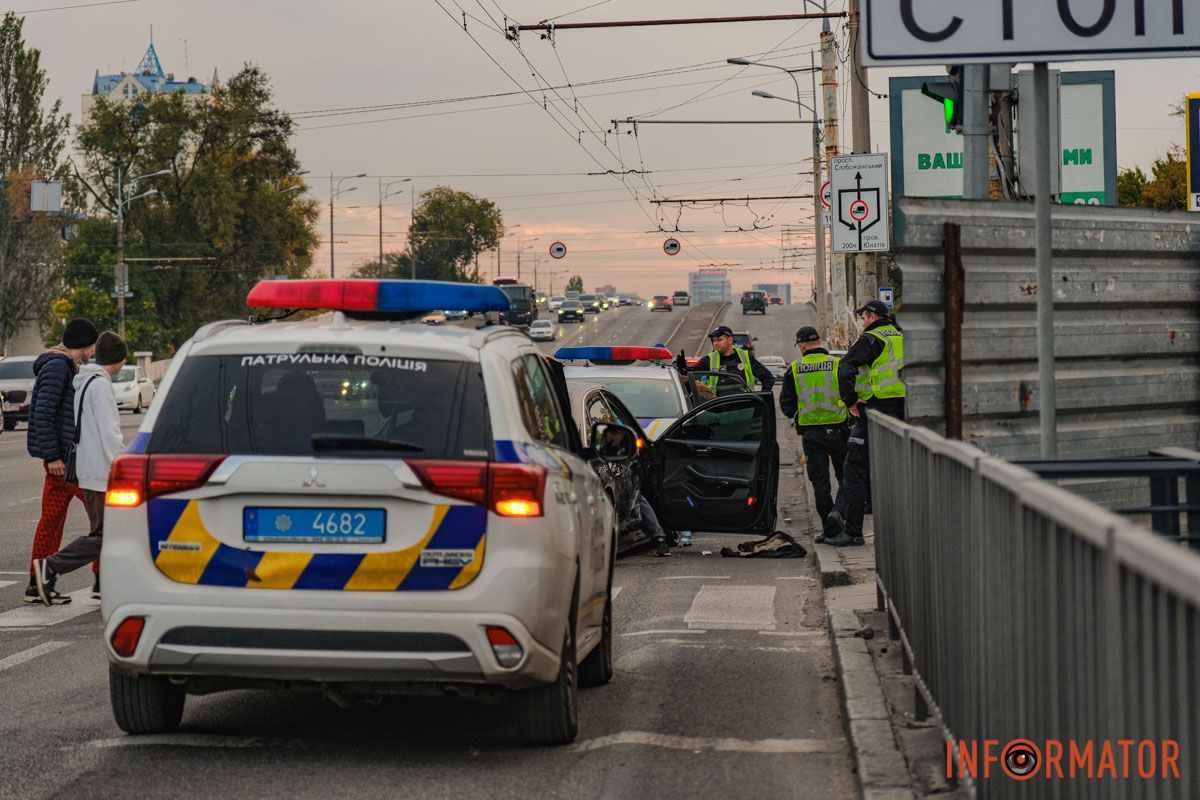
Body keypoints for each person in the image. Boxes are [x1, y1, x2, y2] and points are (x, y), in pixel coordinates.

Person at [33, 331, 126, 605]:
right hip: (101, 473)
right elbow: (110, 433)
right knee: (107, 534)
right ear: (118, 360)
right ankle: (51, 566)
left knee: (103, 533)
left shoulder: (85, 380)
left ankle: (102, 581)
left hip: (87, 469)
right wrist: (124, 465)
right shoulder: (100, 385)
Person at [23, 318, 99, 603]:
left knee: (52, 519)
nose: (93, 351)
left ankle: (37, 582)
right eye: (92, 345)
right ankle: (102, 580)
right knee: (104, 516)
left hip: (62, 459)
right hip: (64, 461)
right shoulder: (58, 366)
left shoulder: (62, 365)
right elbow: (42, 412)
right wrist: (52, 455)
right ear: (85, 344)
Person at [826, 301, 906, 548]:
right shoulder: (902, 336)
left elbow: (845, 366)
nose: (862, 322)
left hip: (878, 408)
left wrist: (849, 399)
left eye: (863, 317)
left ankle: (852, 531)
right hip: (906, 408)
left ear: (871, 316)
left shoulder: (871, 338)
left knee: (854, 469)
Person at [779, 326, 849, 544]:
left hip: (811, 433)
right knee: (846, 476)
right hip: (839, 429)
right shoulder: (838, 364)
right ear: (819, 342)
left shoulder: (795, 368)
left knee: (820, 483)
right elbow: (850, 392)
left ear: (801, 346)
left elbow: (786, 405)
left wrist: (800, 414)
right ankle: (839, 512)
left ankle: (829, 530)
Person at [679, 325, 775, 394]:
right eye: (713, 340)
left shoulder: (745, 357)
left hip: (744, 408)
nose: (715, 343)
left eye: (719, 339)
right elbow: (692, 374)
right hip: (718, 408)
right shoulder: (709, 359)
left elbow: (768, 378)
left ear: (730, 340)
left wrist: (761, 400)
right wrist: (684, 370)